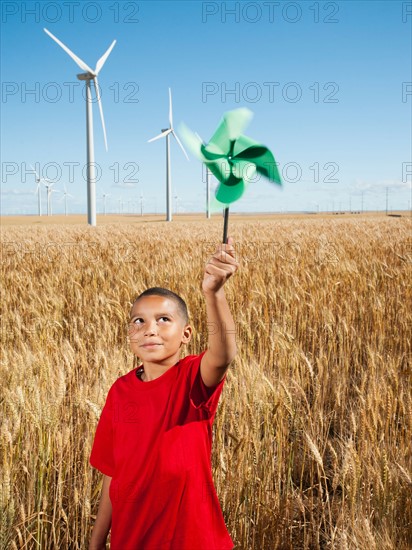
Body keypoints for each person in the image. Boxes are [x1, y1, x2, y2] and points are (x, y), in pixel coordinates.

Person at [89, 238, 238, 550]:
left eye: (163, 320)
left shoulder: (193, 380)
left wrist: (214, 293)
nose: (149, 329)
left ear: (186, 335)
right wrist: (96, 542)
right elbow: (113, 476)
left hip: (192, 540)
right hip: (131, 540)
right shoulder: (120, 391)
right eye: (138, 321)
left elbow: (223, 355)